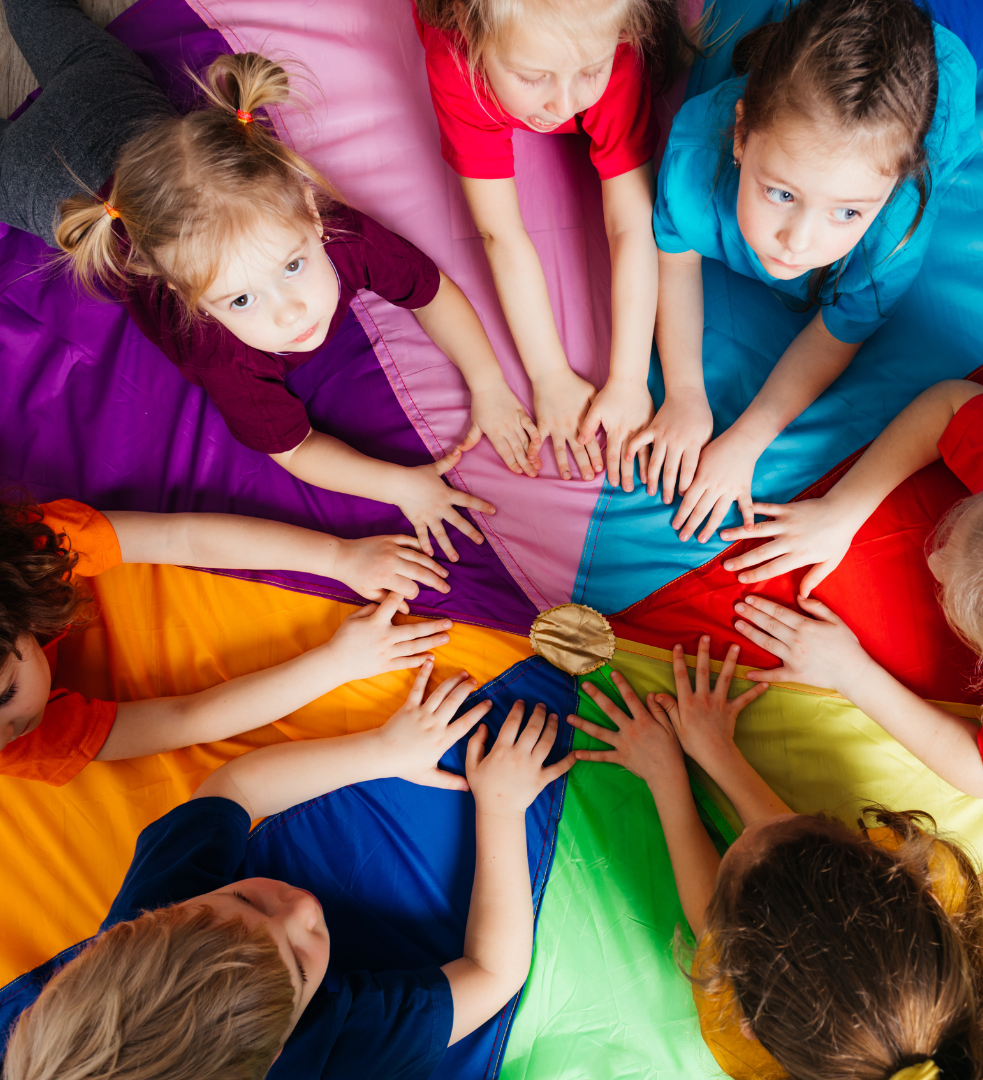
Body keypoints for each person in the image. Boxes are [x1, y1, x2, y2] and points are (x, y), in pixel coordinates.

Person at [0, 0, 537, 564]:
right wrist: (402, 486)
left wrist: (490, 385)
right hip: (48, 180)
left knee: (51, 24)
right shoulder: (222, 354)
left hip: (113, 93)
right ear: (187, 297)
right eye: (240, 298)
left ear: (311, 210)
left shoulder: (343, 235)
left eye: (292, 265)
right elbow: (296, 448)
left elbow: (430, 291)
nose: (289, 313)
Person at [0, 662, 576, 1080]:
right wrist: (501, 807)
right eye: (301, 967)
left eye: (248, 903)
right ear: (277, 1054)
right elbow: (493, 974)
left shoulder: (155, 923)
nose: (304, 910)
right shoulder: (337, 1050)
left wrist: (384, 751)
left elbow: (235, 789)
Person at [568, 637, 983, 1079]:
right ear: (912, 881)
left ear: (745, 1019)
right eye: (813, 828)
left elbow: (712, 927)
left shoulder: (752, 1046)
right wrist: (716, 753)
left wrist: (667, 778)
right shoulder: (926, 876)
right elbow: (743, 906)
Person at [630, 0, 983, 542]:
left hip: (953, 24)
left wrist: (747, 440)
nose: (799, 242)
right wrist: (685, 392)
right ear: (739, 136)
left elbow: (835, 337)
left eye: (847, 212)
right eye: (781, 193)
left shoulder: (895, 233)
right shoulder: (692, 155)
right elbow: (675, 256)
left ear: (892, 189)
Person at [706, 381, 983, 799]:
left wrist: (853, 674)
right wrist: (844, 506)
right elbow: (951, 405)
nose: (934, 559)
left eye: (948, 589)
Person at [414, 0, 696, 488]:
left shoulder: (614, 44)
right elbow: (500, 232)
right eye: (532, 76)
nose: (563, 105)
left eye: (590, 71)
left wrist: (628, 378)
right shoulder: (457, 56)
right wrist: (547, 374)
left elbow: (631, 224)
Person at [0, 494, 453, 784]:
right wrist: (338, 664)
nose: (6, 735)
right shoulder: (16, 747)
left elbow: (181, 538)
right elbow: (185, 720)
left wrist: (341, 557)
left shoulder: (33, 550)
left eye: (7, 695)